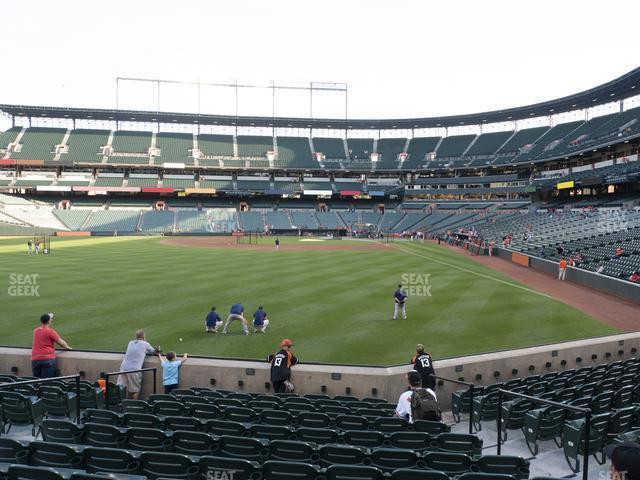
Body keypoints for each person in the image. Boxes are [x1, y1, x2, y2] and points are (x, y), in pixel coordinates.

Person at [117, 330, 157, 399]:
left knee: (125, 388)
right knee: (136, 390)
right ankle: (134, 407)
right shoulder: (145, 344)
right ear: (143, 336)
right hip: (134, 369)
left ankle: (125, 406)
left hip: (123, 368)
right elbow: (155, 352)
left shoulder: (130, 343)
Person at [31, 313, 72, 378]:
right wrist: (68, 347)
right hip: (47, 359)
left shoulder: (36, 330)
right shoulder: (50, 331)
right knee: (46, 382)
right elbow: (61, 343)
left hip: (35, 359)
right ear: (49, 321)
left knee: (36, 381)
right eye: (51, 319)